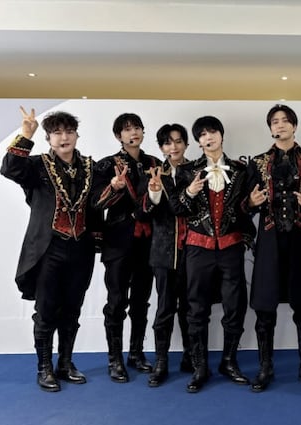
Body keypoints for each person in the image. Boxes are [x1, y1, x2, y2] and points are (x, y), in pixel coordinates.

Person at [1, 107, 101, 392]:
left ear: (77, 136)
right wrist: (26, 134)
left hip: (80, 249)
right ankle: (44, 367)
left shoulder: (91, 168)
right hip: (48, 249)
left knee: (72, 309)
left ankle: (65, 363)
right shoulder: (37, 166)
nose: (64, 137)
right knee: (46, 310)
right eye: (57, 133)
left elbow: (96, 206)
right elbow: (9, 169)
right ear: (48, 138)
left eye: (69, 132)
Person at [172, 116, 255, 393]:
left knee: (235, 306)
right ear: (198, 141)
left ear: (221, 135)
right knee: (196, 308)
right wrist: (189, 192)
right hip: (198, 247)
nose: (208, 137)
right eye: (203, 134)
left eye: (212, 132)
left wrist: (252, 202)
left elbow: (246, 208)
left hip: (231, 246)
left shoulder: (241, 170)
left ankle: (229, 362)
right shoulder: (186, 170)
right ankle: (200, 367)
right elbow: (176, 208)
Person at [246, 104, 301, 393]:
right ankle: (265, 367)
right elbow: (244, 204)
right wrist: (250, 203)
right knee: (265, 309)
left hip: (300, 241)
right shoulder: (257, 163)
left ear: (294, 125)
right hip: (268, 242)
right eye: (274, 121)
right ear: (270, 128)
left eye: (285, 120)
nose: (280, 125)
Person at [91, 113, 161, 383]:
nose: (133, 133)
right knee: (117, 301)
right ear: (118, 135)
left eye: (137, 128)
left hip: (148, 241)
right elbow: (96, 203)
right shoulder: (107, 165)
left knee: (141, 301)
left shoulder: (154, 163)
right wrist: (114, 186)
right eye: (127, 129)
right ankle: (115, 359)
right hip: (118, 241)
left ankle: (136, 353)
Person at [144, 123, 192, 387]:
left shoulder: (196, 171)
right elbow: (142, 213)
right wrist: (153, 193)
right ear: (161, 147)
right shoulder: (154, 172)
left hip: (193, 250)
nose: (173, 147)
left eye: (178, 141)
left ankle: (190, 355)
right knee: (164, 308)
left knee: (191, 307)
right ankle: (161, 361)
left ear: (186, 143)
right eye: (167, 142)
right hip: (163, 251)